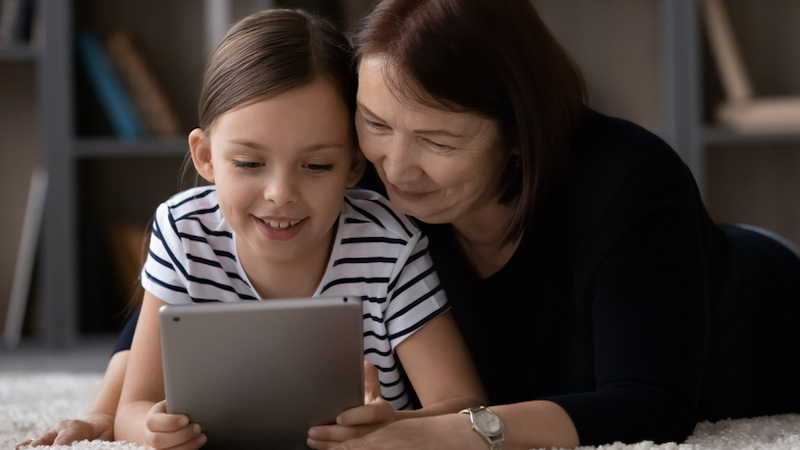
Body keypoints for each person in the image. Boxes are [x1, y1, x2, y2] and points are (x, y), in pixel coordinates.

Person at [22, 0, 800, 448]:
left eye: (437, 140)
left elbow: (650, 405)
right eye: (375, 125)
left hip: (762, 317)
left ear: (519, 133)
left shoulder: (629, 183)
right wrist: (113, 409)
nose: (395, 167)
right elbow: (188, 317)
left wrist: (429, 436)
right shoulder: (365, 188)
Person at [19, 8, 488, 450]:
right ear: (205, 157)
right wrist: (153, 430)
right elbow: (133, 410)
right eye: (248, 162)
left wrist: (394, 429)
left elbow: (464, 404)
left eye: (317, 164)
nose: (280, 193)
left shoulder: (390, 242)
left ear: (353, 165)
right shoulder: (184, 231)